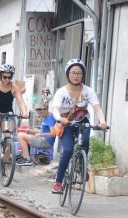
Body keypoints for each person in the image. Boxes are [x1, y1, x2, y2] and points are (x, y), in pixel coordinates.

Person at [51, 58, 107, 194]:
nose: (76, 76)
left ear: (83, 75)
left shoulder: (88, 91)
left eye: (79, 73)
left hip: (82, 121)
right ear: (68, 75)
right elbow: (55, 109)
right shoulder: (61, 92)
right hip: (66, 123)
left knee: (86, 141)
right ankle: (58, 182)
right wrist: (60, 119)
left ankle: (82, 165)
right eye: (73, 73)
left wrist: (102, 121)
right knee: (68, 150)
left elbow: (97, 108)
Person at [0, 64, 29, 151]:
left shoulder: (14, 86)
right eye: (5, 77)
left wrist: (24, 112)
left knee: (8, 135)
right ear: (0, 76)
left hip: (8, 114)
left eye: (9, 77)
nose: (7, 79)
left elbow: (21, 101)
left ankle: (6, 162)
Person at [16, 100, 56, 166]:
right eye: (38, 113)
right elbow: (43, 131)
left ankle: (26, 158)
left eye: (40, 112)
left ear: (46, 109)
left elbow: (53, 133)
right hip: (44, 140)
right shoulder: (45, 117)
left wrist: (41, 134)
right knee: (23, 134)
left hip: (46, 142)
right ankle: (23, 155)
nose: (39, 114)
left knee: (20, 136)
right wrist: (31, 131)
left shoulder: (50, 118)